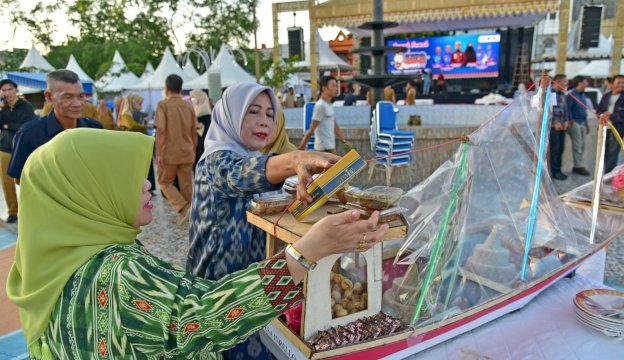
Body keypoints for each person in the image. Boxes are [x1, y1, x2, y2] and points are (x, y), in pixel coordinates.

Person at [7, 128, 389, 359]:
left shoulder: (53, 265)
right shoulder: (117, 272)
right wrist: (307, 251)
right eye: (124, 178)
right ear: (86, 192)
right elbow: (199, 319)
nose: (147, 186)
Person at [187, 82, 367, 359]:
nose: (264, 121)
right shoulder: (214, 162)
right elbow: (239, 175)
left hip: (259, 289)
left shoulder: (255, 158)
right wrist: (296, 158)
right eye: (253, 112)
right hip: (220, 294)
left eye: (270, 114)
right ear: (230, 116)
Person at [8, 69, 102, 184]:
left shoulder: (95, 130)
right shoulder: (28, 134)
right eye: (68, 97)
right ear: (49, 96)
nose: (77, 104)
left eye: (81, 96)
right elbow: (19, 179)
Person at [155, 74, 197, 220]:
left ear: (166, 88)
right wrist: (193, 149)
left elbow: (161, 131)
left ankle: (183, 207)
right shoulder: (189, 106)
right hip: (187, 150)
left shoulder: (163, 105)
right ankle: (192, 212)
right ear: (181, 88)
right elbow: (194, 132)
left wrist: (158, 153)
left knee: (164, 182)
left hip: (169, 152)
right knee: (186, 185)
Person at [0, 79, 35, 223]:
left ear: (16, 89)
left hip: (22, 147)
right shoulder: (3, 108)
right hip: (5, 148)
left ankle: (31, 210)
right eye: (4, 90)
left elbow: (27, 125)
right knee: (7, 183)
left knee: (26, 180)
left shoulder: (26, 106)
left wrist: (8, 126)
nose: (7, 92)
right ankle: (12, 212)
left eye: (9, 89)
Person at [299, 76, 352, 153]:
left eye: (336, 86)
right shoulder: (320, 106)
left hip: (330, 147)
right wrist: (301, 147)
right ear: (324, 88)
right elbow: (312, 129)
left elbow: (335, 126)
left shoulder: (329, 105)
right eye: (333, 86)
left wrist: (344, 141)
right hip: (323, 149)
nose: (336, 88)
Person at [596, 75, 624, 173]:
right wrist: (602, 114)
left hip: (617, 130)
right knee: (602, 152)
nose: (621, 85)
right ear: (612, 84)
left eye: (623, 83)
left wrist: (612, 115)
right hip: (604, 128)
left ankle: (607, 175)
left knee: (613, 154)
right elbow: (598, 110)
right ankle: (602, 174)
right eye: (618, 83)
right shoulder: (606, 96)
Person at [566, 76, 591, 177]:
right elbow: (567, 108)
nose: (586, 84)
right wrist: (570, 120)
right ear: (579, 83)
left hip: (582, 122)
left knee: (582, 145)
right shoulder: (571, 94)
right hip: (575, 122)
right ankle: (578, 166)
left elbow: (584, 110)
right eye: (585, 82)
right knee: (577, 145)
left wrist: (586, 123)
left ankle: (579, 165)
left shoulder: (583, 95)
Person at [549, 74, 569, 180]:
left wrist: (565, 121)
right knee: (555, 150)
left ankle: (559, 170)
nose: (566, 84)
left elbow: (565, 109)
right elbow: (550, 110)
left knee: (561, 149)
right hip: (554, 127)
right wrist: (555, 123)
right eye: (565, 82)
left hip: (562, 126)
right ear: (557, 82)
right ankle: (555, 171)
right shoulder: (551, 93)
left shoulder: (562, 95)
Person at [190, 89, 212, 168]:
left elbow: (203, 126)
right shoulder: (195, 109)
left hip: (202, 139)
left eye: (194, 97)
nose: (192, 99)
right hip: (196, 139)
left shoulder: (204, 112)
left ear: (200, 97)